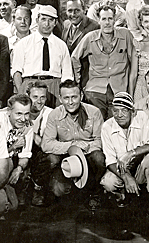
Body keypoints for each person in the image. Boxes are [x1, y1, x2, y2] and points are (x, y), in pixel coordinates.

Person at [41, 80, 106, 208]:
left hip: (88, 156)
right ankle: (51, 191)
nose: (70, 102)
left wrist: (84, 148)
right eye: (66, 98)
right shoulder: (54, 115)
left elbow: (100, 141)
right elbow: (46, 144)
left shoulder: (94, 112)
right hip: (65, 157)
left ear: (81, 96)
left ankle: (94, 192)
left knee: (99, 158)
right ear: (60, 98)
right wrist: (73, 147)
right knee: (56, 181)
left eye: (74, 97)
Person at [72, 5, 133, 120]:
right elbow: (75, 58)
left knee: (115, 125)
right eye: (104, 19)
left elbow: (133, 60)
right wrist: (78, 83)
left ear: (115, 19)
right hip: (95, 91)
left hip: (119, 90)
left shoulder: (125, 35)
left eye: (110, 18)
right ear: (98, 20)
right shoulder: (90, 38)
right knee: (96, 124)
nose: (107, 23)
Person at [101, 92, 149, 203]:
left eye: (124, 110)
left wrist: (131, 153)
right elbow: (110, 161)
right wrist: (126, 177)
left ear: (132, 111)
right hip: (121, 171)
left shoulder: (141, 117)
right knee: (108, 183)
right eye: (115, 110)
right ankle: (122, 198)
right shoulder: (107, 126)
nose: (119, 115)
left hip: (140, 167)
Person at [12, 5, 73, 106]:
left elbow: (67, 74)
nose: (47, 24)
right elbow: (16, 71)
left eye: (51, 20)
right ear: (37, 20)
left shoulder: (61, 45)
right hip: (30, 85)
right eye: (43, 19)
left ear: (55, 23)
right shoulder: (24, 43)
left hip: (55, 86)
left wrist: (64, 95)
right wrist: (21, 92)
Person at [0, 94, 34, 208]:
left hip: (11, 163)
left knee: (14, 206)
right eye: (18, 114)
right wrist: (13, 147)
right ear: (9, 111)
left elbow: (25, 156)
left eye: (26, 114)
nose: (23, 119)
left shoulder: (28, 125)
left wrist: (19, 169)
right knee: (7, 162)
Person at [26, 81, 54, 206]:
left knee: (49, 157)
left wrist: (30, 132)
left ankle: (38, 188)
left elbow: (45, 144)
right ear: (28, 97)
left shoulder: (50, 114)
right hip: (20, 149)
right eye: (35, 97)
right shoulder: (20, 110)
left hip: (41, 152)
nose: (39, 101)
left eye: (42, 97)